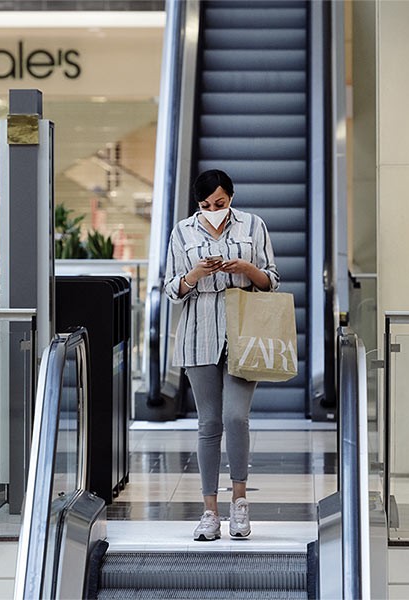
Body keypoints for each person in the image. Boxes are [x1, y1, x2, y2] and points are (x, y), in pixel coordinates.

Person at [164, 169, 280, 541]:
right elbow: (171, 289)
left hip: (243, 328)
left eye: (220, 203)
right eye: (205, 205)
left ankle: (240, 503)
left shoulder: (253, 226)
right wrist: (195, 274)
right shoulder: (182, 231)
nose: (213, 210)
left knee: (236, 416)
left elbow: (272, 279)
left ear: (230, 197)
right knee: (208, 422)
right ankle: (209, 511)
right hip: (198, 330)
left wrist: (247, 269)